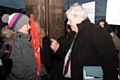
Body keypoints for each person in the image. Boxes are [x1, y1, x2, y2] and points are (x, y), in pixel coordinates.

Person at [50, 3, 119, 80]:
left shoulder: (97, 32)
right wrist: (58, 49)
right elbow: (71, 54)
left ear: (78, 18)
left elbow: (110, 60)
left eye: (70, 20)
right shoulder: (74, 34)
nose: (68, 23)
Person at [1, 13, 46, 80]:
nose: (29, 27)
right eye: (27, 24)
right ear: (18, 26)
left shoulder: (26, 40)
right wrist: (37, 78)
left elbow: (36, 59)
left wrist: (43, 72)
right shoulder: (11, 44)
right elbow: (17, 70)